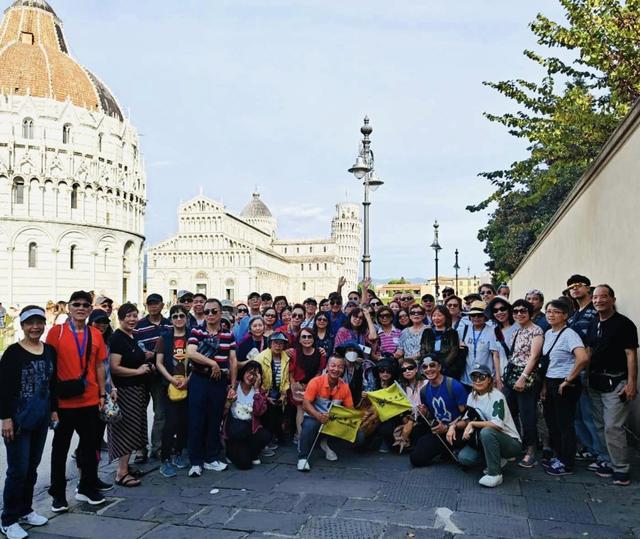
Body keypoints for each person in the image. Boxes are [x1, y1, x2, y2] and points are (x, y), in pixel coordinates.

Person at [45, 291, 108, 511]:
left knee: (90, 448)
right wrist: (51, 403)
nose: (80, 308)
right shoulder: (56, 333)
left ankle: (87, 488)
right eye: (76, 304)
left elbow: (100, 366)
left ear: (90, 309)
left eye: (85, 305)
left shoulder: (95, 334)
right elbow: (49, 369)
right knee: (59, 450)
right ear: (69, 308)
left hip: (89, 400)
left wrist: (102, 394)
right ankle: (58, 494)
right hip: (64, 403)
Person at [0, 306, 56, 539]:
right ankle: (8, 519)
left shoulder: (49, 350)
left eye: (39, 322)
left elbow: (52, 384)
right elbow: (3, 388)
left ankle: (25, 509)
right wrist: (5, 419)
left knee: (31, 467)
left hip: (41, 419)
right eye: (30, 323)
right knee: (17, 470)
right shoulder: (13, 352)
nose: (35, 327)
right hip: (18, 421)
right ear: (22, 326)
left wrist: (54, 411)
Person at [586, 285, 638, 486]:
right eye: (596, 297)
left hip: (616, 382)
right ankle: (607, 461)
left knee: (613, 427)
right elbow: (589, 351)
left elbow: (631, 354)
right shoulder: (593, 323)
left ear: (612, 299)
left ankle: (621, 468)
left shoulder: (624, 324)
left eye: (603, 297)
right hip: (595, 381)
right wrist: (585, 378)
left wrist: (632, 383)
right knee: (600, 425)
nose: (599, 300)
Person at [186, 298, 237, 477]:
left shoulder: (228, 335)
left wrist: (232, 385)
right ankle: (195, 461)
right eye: (207, 312)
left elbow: (233, 361)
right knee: (196, 420)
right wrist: (212, 363)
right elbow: (190, 352)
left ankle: (211, 458)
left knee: (215, 420)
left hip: (219, 382)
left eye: (213, 311)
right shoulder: (196, 331)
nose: (210, 315)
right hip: (200, 379)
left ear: (220, 312)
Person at [449, 364, 522, 487]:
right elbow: (467, 419)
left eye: (482, 377)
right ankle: (495, 459)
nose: (478, 380)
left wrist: (473, 423)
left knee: (487, 431)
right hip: (486, 439)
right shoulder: (471, 396)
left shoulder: (497, 396)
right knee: (464, 458)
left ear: (489, 379)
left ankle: (495, 474)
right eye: (474, 377)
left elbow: (497, 424)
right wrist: (453, 426)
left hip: (510, 441)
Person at [541, 299, 588, 476]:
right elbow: (547, 363)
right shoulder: (549, 334)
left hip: (564, 384)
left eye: (555, 312)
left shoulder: (570, 334)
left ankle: (567, 463)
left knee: (564, 424)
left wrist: (568, 380)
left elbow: (582, 358)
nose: (551, 315)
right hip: (551, 382)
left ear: (565, 315)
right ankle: (559, 456)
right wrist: (545, 387)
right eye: (548, 312)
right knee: (553, 422)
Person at [108, 303, 150, 488]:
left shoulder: (132, 336)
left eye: (135, 315)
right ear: (120, 318)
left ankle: (126, 466)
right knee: (125, 431)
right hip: (125, 392)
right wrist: (138, 372)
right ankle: (121, 473)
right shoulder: (117, 338)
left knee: (135, 430)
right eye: (128, 316)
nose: (132, 319)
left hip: (137, 389)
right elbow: (114, 367)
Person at [566, 274, 606, 464]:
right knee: (578, 416)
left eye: (578, 285)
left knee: (590, 415)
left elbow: (592, 345)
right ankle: (590, 449)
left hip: (586, 370)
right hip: (572, 370)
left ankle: (601, 453)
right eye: (571, 286)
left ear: (588, 288)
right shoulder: (575, 314)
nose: (574, 289)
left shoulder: (595, 312)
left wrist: (587, 372)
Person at [502, 299, 543, 468]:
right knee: (510, 413)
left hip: (527, 377)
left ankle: (531, 451)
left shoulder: (536, 331)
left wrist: (523, 376)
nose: (519, 314)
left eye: (523, 311)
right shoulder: (516, 332)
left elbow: (534, 356)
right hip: (512, 376)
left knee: (528, 416)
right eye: (516, 311)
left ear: (530, 312)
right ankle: (516, 446)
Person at [297, 356, 355, 471]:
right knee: (309, 426)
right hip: (314, 416)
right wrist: (318, 415)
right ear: (327, 367)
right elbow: (305, 404)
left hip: (333, 419)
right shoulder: (315, 382)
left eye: (340, 367)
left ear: (343, 369)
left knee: (359, 437)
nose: (336, 369)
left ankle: (327, 444)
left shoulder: (345, 387)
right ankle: (303, 457)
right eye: (333, 365)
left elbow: (350, 410)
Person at [133, 293, 170, 462]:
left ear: (162, 305)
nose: (153, 307)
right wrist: (143, 356)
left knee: (160, 412)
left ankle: (158, 447)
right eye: (150, 304)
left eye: (156, 304)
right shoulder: (138, 326)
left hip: (159, 375)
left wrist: (156, 356)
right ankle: (140, 449)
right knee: (139, 413)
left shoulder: (169, 324)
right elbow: (132, 348)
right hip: (141, 374)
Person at [155, 304, 191, 478]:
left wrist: (188, 380)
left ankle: (178, 453)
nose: (178, 319)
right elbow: (159, 362)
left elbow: (197, 360)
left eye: (181, 315)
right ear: (171, 319)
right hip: (169, 385)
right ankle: (165, 459)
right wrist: (170, 379)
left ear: (186, 317)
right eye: (175, 316)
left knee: (184, 421)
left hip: (189, 384)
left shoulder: (192, 336)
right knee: (170, 423)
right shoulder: (165, 337)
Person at [411, 358, 467, 467]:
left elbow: (467, 418)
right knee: (416, 459)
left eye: (432, 365)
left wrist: (448, 427)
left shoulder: (454, 385)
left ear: (439, 367)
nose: (429, 369)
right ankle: (445, 451)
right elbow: (432, 416)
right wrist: (425, 413)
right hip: (440, 431)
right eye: (425, 367)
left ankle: (456, 450)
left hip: (457, 430)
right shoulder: (424, 391)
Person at [223, 361, 271, 470]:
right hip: (235, 429)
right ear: (243, 372)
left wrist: (257, 390)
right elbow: (223, 412)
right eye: (249, 373)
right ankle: (231, 452)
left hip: (250, 428)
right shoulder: (233, 386)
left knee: (265, 435)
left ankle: (251, 453)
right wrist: (229, 402)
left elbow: (259, 412)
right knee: (245, 465)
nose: (251, 377)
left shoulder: (259, 391)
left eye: (255, 375)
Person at [288, 328, 327, 440]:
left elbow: (320, 372)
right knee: (301, 407)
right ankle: (301, 436)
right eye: (303, 337)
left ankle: (312, 436)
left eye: (309, 336)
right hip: (298, 385)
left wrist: (310, 386)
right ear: (299, 340)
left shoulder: (320, 353)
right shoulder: (294, 353)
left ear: (314, 339)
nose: (307, 339)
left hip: (314, 385)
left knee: (313, 408)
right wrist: (294, 386)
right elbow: (291, 373)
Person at [256, 332, 291, 448]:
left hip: (278, 392)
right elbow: (255, 379)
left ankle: (276, 437)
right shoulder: (261, 357)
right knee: (269, 415)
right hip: (264, 392)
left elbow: (286, 379)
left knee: (278, 414)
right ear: (270, 344)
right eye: (275, 343)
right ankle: (267, 439)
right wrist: (265, 396)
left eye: (281, 343)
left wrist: (283, 394)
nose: (278, 346)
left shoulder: (286, 358)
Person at [459, 301, 500, 392]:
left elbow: (495, 355)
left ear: (485, 316)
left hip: (485, 379)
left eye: (479, 315)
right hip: (467, 378)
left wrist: (498, 377)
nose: (476, 318)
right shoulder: (464, 329)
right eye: (473, 315)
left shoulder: (491, 331)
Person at [419, 305, 462, 380]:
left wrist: (441, 366)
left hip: (447, 369)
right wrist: (429, 363)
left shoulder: (452, 332)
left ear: (446, 317)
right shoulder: (427, 331)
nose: (436, 318)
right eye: (434, 315)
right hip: (428, 367)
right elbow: (423, 349)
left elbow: (454, 352)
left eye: (439, 315)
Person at [487, 297, 517, 379]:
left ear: (509, 310)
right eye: (495, 311)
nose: (499, 312)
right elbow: (496, 356)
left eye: (502, 309)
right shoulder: (495, 331)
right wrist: (498, 378)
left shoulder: (519, 327)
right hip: (504, 375)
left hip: (520, 374)